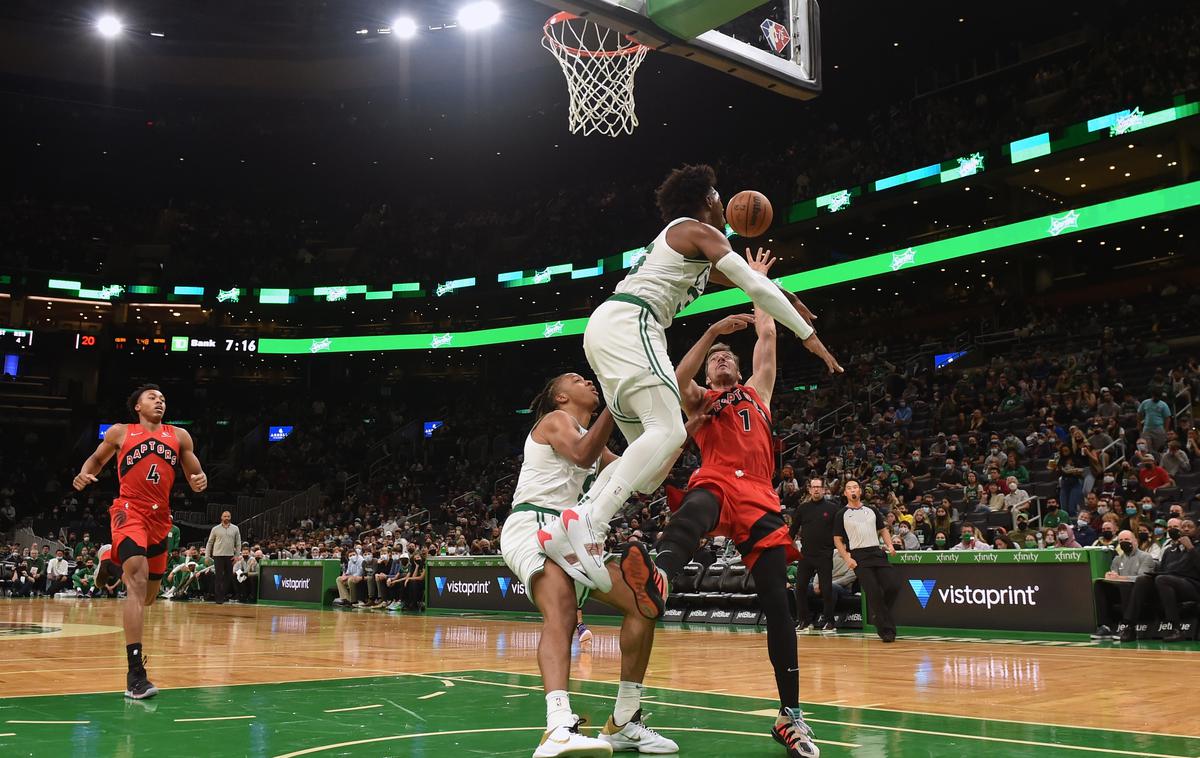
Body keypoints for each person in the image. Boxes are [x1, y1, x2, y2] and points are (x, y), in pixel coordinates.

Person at [538, 164, 842, 596]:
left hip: (608, 332)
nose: (724, 203)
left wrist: (789, 296)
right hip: (634, 324)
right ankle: (587, 523)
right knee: (667, 431)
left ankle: (564, 527)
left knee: (649, 472)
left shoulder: (691, 247)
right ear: (707, 199)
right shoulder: (696, 230)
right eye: (719, 196)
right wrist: (809, 336)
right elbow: (756, 291)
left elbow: (751, 283)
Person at [653, 293, 820, 758]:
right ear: (708, 375)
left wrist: (759, 288)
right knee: (696, 504)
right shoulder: (700, 398)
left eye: (728, 356)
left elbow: (766, 335)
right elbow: (674, 377)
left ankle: (790, 717)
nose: (722, 358)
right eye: (714, 359)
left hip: (761, 496)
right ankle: (660, 575)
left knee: (777, 604)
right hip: (718, 480)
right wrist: (711, 333)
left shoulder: (758, 392)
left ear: (741, 370)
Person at [499, 372, 679, 757]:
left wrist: (680, 430)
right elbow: (580, 453)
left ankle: (625, 720)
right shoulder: (555, 421)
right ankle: (557, 726)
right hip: (533, 524)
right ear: (560, 396)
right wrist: (615, 408)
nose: (589, 382)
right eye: (579, 379)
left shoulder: (593, 441)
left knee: (641, 604)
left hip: (574, 533)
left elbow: (643, 479)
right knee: (562, 608)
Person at [72, 384, 207, 699]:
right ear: (137, 406)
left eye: (163, 398)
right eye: (152, 397)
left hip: (161, 521)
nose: (160, 400)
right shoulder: (121, 432)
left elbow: (195, 474)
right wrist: (83, 474)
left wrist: (200, 481)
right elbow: (95, 459)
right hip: (129, 512)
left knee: (148, 598)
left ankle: (110, 560)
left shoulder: (179, 437)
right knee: (137, 577)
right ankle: (135, 673)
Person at [833, 480, 900, 643]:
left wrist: (890, 545)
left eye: (855, 487)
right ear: (845, 494)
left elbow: (883, 530)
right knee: (874, 593)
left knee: (893, 586)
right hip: (859, 556)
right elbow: (837, 540)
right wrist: (847, 558)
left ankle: (879, 616)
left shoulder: (872, 510)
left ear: (860, 491)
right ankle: (887, 630)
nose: (852, 490)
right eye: (849, 488)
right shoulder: (841, 514)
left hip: (876, 552)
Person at [1118, 519, 1200, 642]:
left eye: (1190, 526)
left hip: (1193, 585)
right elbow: (1164, 569)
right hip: (1168, 583)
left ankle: (1175, 629)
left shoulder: (1195, 548)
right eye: (1183, 527)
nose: (1186, 529)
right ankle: (1130, 627)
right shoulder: (1170, 549)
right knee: (1143, 580)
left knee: (1163, 579)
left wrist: (1190, 548)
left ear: (1197, 529)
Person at [790, 477, 840, 633]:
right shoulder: (802, 508)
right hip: (806, 555)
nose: (816, 489)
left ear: (824, 489)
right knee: (800, 588)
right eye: (814, 487)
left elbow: (839, 531)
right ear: (809, 489)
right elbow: (792, 531)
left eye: (819, 487)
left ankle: (829, 622)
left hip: (824, 555)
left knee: (826, 589)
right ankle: (804, 621)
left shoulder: (833, 508)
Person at [1091, 529, 1157, 639]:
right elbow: (1114, 575)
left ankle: (1127, 625)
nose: (1124, 542)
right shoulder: (1117, 559)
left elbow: (1143, 578)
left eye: (1127, 539)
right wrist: (1109, 576)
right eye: (1121, 540)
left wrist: (1120, 578)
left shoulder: (1146, 557)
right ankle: (1105, 625)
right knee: (1099, 584)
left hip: (1138, 591)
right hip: (1120, 589)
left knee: (1124, 584)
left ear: (1135, 541)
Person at [205, 511, 241, 604]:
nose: (226, 518)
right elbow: (209, 543)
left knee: (229, 577)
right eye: (225, 516)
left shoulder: (235, 528)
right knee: (218, 577)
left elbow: (238, 543)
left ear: (230, 517)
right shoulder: (215, 529)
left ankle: (222, 594)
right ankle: (219, 598)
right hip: (218, 556)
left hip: (230, 556)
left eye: (228, 516)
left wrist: (237, 555)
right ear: (221, 517)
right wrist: (207, 556)